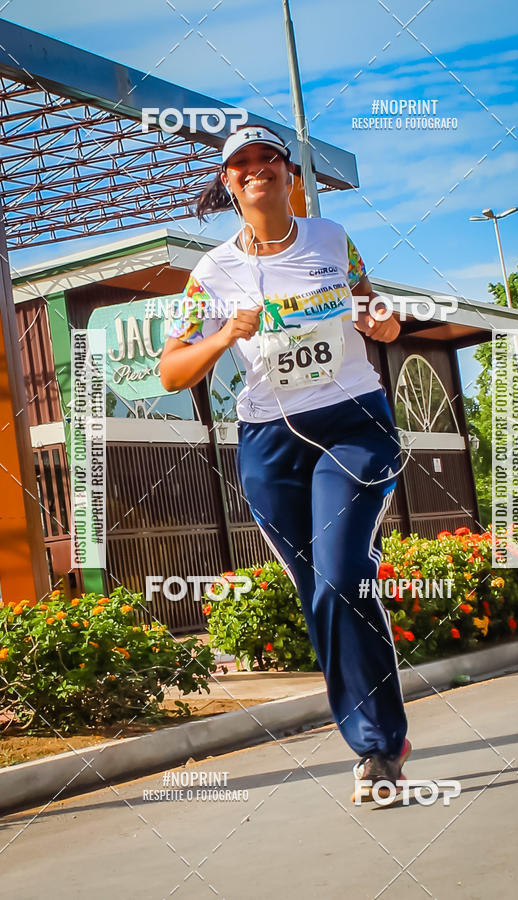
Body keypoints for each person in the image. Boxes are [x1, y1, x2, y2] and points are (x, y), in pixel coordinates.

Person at [160, 125, 410, 800]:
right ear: (228, 182)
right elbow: (169, 371)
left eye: (266, 159)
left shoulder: (332, 241)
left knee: (340, 574)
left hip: (353, 422)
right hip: (269, 440)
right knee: (315, 591)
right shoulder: (210, 274)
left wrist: (381, 321)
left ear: (288, 172)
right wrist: (222, 338)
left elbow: (372, 309)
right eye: (239, 164)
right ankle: (375, 728)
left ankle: (377, 748)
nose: (254, 171)